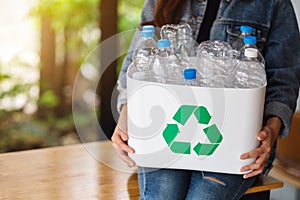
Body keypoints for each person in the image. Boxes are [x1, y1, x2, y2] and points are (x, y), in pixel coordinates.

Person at [112, 0, 300, 199]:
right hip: (168, 138)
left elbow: (283, 81)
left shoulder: (273, 3)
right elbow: (136, 66)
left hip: (234, 143)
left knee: (205, 195)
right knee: (162, 193)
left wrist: (271, 131)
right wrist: (126, 117)